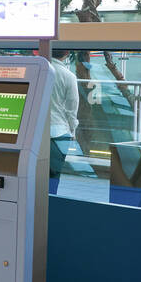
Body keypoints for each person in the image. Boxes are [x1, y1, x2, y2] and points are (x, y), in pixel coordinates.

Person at [47, 48, 79, 186]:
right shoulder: (68, 76)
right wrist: (73, 131)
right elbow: (72, 108)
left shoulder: (39, 70)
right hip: (59, 132)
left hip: (35, 131)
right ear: (67, 54)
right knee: (54, 177)